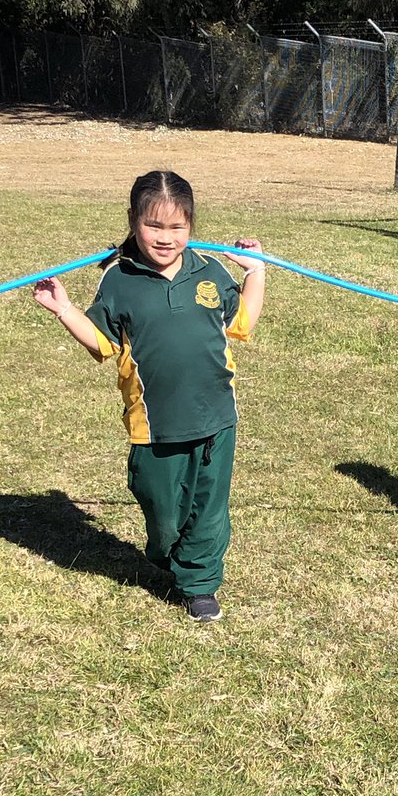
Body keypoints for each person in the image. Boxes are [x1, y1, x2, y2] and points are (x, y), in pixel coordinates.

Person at [33, 170, 266, 621]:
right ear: (133, 220)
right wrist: (63, 309)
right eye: (153, 225)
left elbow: (242, 322)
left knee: (209, 507)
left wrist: (255, 271)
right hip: (154, 424)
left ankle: (199, 583)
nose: (165, 237)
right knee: (161, 508)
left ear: (191, 225)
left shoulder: (209, 271)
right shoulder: (119, 280)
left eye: (177, 227)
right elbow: (102, 343)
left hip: (216, 416)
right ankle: (167, 553)